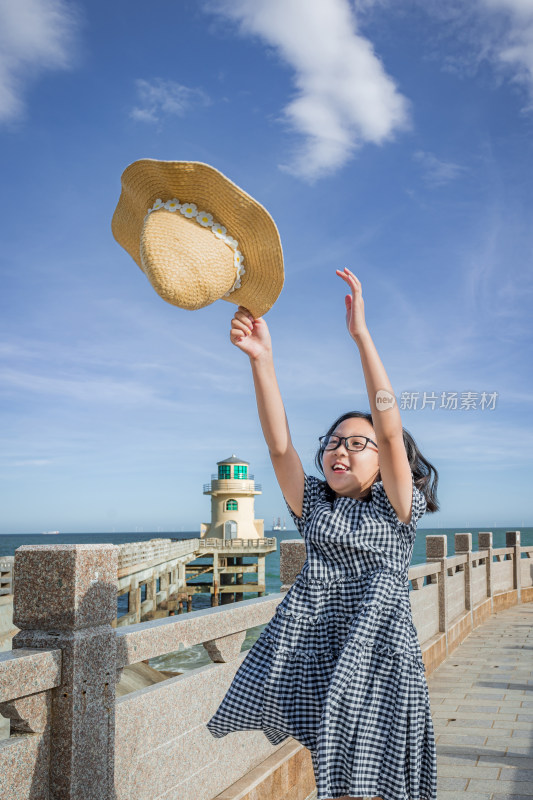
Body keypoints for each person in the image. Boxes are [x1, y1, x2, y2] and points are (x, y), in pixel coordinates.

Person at [206, 267, 439, 800]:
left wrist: (362, 336)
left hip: (381, 662)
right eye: (334, 442)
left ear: (385, 460)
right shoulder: (314, 507)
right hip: (323, 658)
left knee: (377, 784)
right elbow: (281, 448)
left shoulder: (396, 508)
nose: (341, 450)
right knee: (339, 782)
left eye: (358, 444)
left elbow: (388, 424)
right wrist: (262, 361)